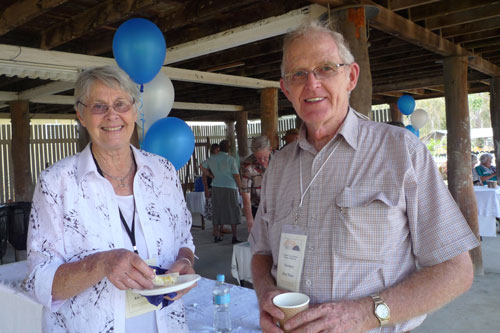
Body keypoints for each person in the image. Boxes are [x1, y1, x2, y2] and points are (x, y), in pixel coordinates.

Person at [249, 20, 479, 333]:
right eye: (298, 74)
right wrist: (265, 293)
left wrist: (366, 313)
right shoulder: (279, 166)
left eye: (326, 68)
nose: (312, 83)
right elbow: (261, 253)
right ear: (286, 88)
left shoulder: (401, 151)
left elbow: (456, 270)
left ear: (351, 77)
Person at [25, 66, 196, 332]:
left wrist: (185, 262)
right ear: (81, 115)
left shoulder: (163, 172)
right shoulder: (56, 183)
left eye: (120, 104)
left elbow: (185, 239)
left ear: (135, 110)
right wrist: (102, 264)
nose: (112, 114)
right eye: (98, 106)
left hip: (168, 324)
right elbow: (39, 281)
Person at [201, 139, 243, 244]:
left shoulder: (212, 158)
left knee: (217, 210)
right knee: (233, 210)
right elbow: (236, 175)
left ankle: (217, 235)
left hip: (216, 186)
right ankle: (234, 236)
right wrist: (241, 187)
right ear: (229, 148)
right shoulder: (231, 159)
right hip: (230, 187)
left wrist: (210, 175)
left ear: (219, 148)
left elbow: (201, 166)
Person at [240, 135, 273, 232]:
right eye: (258, 158)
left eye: (265, 157)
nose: (262, 161)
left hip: (278, 207)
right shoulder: (248, 165)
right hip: (258, 208)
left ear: (270, 149)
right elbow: (245, 194)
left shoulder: (280, 159)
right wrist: (250, 220)